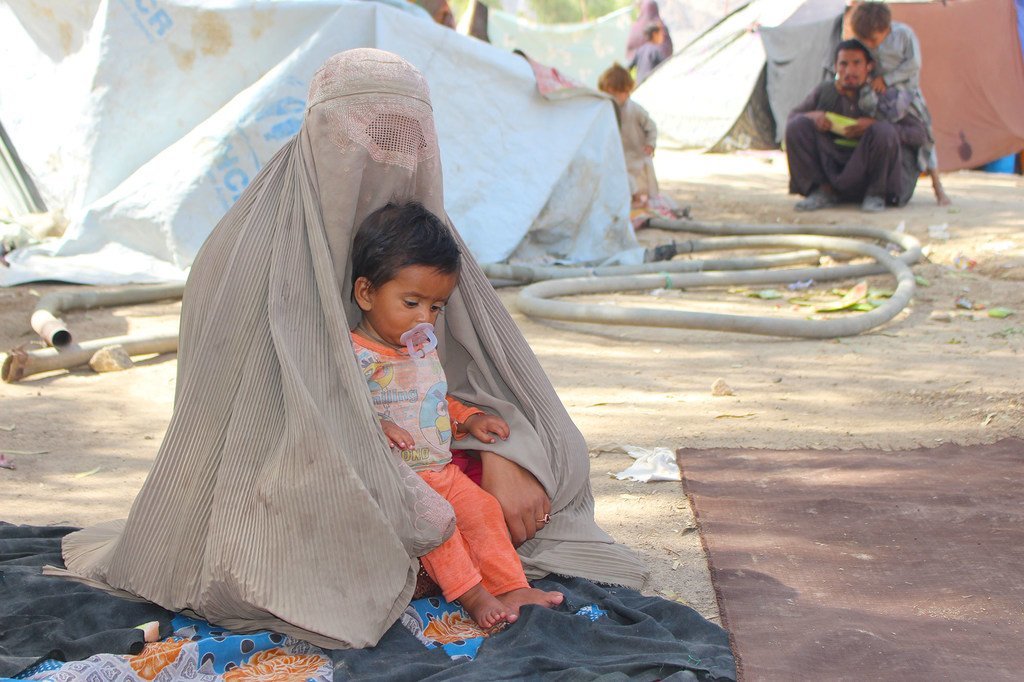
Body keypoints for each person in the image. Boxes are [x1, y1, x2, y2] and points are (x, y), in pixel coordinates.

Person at [49, 49, 647, 649]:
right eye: (370, 138)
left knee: (548, 457)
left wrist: (507, 453)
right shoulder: (240, 252)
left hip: (423, 460)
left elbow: (475, 377)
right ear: (318, 133)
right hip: (288, 474)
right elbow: (238, 437)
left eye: (408, 140)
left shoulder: (426, 250)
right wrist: (353, 437)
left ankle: (463, 565)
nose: (388, 162)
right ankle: (432, 568)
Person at [349, 201, 563, 628]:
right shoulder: (354, 354)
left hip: (438, 468)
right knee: (438, 526)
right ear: (366, 293)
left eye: (435, 307)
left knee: (482, 508)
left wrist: (467, 418)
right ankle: (474, 596)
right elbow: (340, 407)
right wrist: (376, 425)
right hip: (399, 480)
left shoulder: (421, 351)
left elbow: (432, 399)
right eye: (411, 302)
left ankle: (512, 585)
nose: (424, 317)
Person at [786, 39, 928, 212]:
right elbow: (792, 118)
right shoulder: (825, 91)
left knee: (883, 131)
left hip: (872, 168)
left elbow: (919, 134)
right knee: (797, 126)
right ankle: (822, 191)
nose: (849, 71)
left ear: (869, 66)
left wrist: (873, 126)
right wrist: (813, 116)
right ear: (836, 66)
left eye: (856, 63)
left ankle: (876, 195)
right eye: (843, 64)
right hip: (835, 163)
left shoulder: (884, 95)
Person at [850, 1, 951, 205]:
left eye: (873, 39)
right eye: (865, 40)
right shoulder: (863, 42)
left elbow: (913, 65)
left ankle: (938, 188)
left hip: (907, 96)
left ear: (886, 28)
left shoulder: (904, 35)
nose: (870, 44)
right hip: (877, 99)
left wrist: (887, 80)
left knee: (926, 137)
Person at [598, 63, 659, 209]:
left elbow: (651, 127)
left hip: (636, 154)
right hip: (620, 154)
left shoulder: (635, 110)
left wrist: (650, 143)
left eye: (614, 94)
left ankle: (638, 200)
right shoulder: (607, 110)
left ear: (626, 91)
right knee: (620, 178)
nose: (610, 98)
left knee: (636, 182)